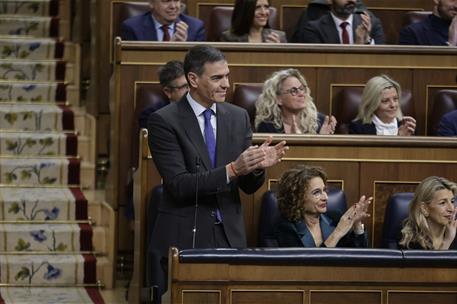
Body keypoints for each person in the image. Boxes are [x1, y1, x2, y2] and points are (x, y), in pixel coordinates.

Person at [147, 45, 288, 297]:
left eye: (227, 76)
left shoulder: (238, 116)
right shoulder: (164, 121)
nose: (226, 84)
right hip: (185, 234)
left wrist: (255, 167)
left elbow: (247, 186)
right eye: (217, 78)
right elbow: (179, 185)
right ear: (193, 79)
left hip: (229, 235)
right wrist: (234, 168)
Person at [274, 165, 371, 247]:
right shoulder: (286, 227)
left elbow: (359, 259)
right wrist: (337, 233)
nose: (325, 197)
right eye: (317, 193)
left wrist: (357, 224)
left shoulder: (335, 218)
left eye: (324, 190)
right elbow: (307, 265)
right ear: (297, 197)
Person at [255, 68, 337, 134]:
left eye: (302, 89)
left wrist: (322, 139)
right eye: (293, 91)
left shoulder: (320, 122)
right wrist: (294, 140)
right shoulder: (267, 126)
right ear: (278, 99)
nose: (301, 94)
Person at [399, 176, 457, 250]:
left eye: (452, 201)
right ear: (424, 209)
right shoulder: (409, 240)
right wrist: (447, 242)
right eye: (443, 203)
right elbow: (433, 262)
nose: (451, 208)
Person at [349, 75, 416, 135]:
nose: (393, 105)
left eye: (395, 99)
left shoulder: (408, 126)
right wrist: (399, 138)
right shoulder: (358, 128)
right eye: (385, 101)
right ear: (372, 104)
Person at [296, 0, 385, 44]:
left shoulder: (372, 23)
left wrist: (366, 41)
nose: (350, 1)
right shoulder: (314, 28)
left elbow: (382, 59)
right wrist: (358, 46)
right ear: (329, 1)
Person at [120, 0, 205, 41]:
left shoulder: (195, 28)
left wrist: (184, 48)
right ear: (151, 3)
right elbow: (132, 66)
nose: (173, 6)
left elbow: (199, 68)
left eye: (176, 0)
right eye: (166, 1)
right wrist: (170, 48)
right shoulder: (132, 28)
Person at [138, 60, 188, 128]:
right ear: (168, 92)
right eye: (185, 86)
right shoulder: (152, 116)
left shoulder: (201, 107)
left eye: (192, 84)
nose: (191, 90)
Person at [220, 0, 287, 42]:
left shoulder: (279, 37)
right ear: (245, 11)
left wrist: (278, 49)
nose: (263, 12)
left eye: (266, 7)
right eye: (257, 8)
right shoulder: (228, 38)